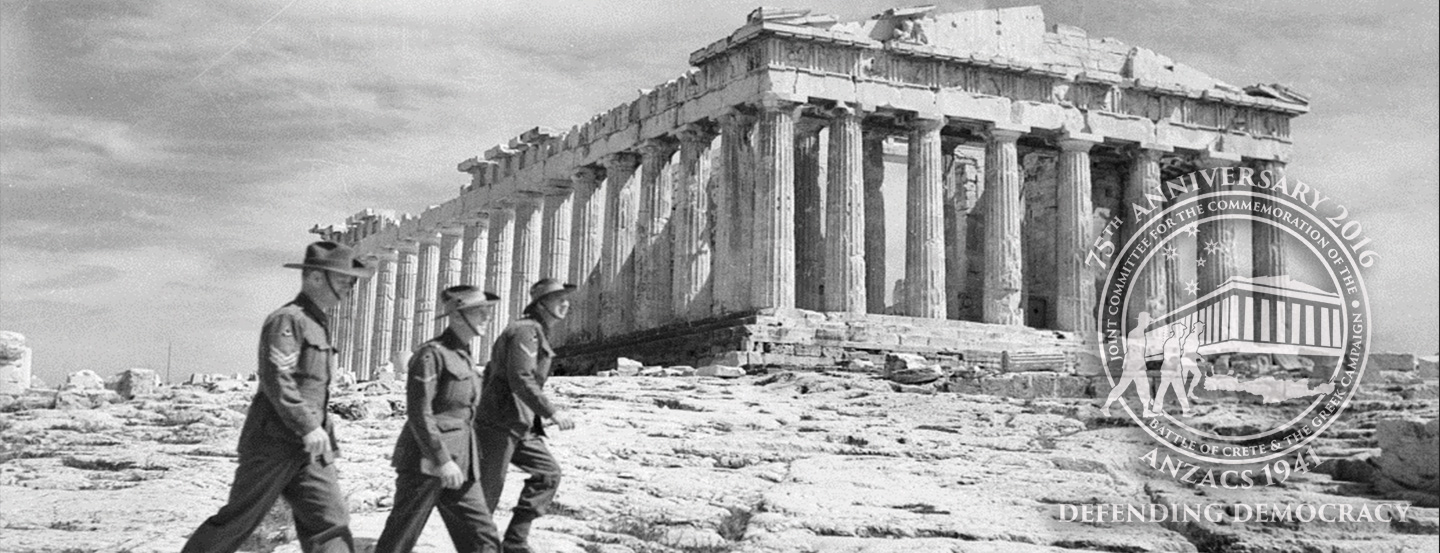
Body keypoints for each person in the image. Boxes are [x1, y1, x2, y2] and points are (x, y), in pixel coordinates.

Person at [182, 241, 370, 553]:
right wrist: (307, 426)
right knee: (238, 521)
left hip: (311, 449)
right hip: (274, 443)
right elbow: (277, 379)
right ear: (313, 278)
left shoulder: (318, 322)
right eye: (342, 280)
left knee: (330, 522)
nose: (349, 288)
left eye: (351, 281)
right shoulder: (288, 320)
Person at [374, 285, 503, 553]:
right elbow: (420, 413)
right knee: (399, 539)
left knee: (484, 537)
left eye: (487, 312)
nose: (486, 318)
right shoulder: (431, 354)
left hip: (462, 465)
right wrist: (441, 460)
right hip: (426, 464)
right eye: (480, 312)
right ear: (457, 317)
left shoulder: (464, 356)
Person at [476, 278, 578, 553]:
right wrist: (552, 411)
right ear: (541, 304)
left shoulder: (536, 332)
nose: (565, 304)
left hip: (520, 424)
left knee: (548, 474)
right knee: (488, 492)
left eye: (566, 299)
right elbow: (520, 377)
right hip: (499, 421)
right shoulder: (525, 332)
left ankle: (515, 541)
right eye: (558, 299)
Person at [1101, 311, 1156, 417]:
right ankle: (1105, 407)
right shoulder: (1134, 333)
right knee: (1122, 386)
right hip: (1132, 364)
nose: (1148, 323)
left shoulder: (1141, 334)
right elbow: (1133, 351)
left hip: (1138, 364)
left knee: (1144, 387)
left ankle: (1146, 410)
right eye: (1147, 321)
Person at [1153, 322, 1194, 417]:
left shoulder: (1177, 341)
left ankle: (1186, 410)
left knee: (1180, 390)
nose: (1183, 332)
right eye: (1182, 330)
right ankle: (1156, 409)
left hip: (1175, 368)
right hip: (1169, 369)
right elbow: (1168, 357)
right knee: (1163, 389)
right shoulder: (1171, 342)